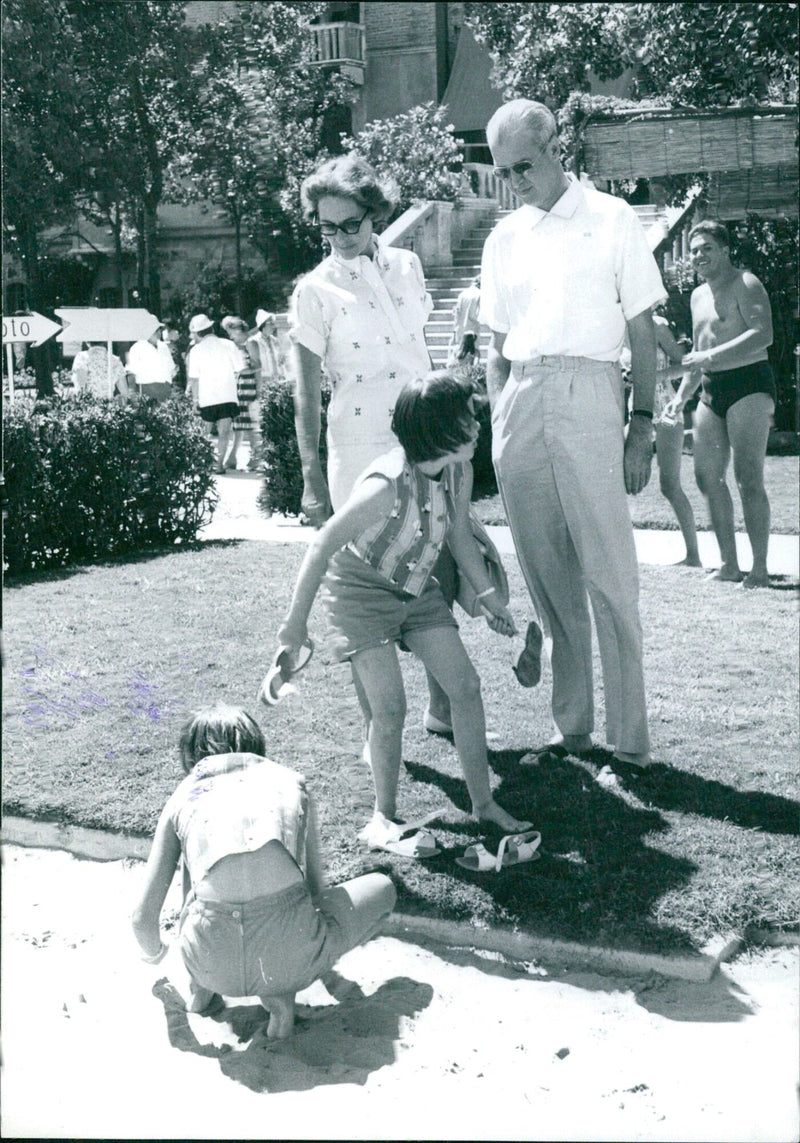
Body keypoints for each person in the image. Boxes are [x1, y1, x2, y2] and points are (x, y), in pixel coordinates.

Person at [480, 99, 667, 771]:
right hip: (521, 400)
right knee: (548, 577)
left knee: (610, 575)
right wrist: (503, 413)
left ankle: (631, 738)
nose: (514, 181)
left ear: (556, 148)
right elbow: (497, 344)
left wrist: (641, 420)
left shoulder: (613, 219)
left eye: (523, 165)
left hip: (591, 390)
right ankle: (574, 729)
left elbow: (643, 329)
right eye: (502, 171)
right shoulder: (503, 239)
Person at [275, 371, 534, 851]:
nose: (477, 425)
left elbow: (457, 534)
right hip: (361, 593)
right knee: (389, 710)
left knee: (466, 686)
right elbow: (321, 545)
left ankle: (483, 804)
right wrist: (294, 628)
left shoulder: (457, 469)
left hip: (418, 586)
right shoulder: (385, 485)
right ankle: (383, 816)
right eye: (467, 418)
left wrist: (488, 596)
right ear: (439, 430)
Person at [290, 152, 454, 738]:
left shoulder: (408, 265)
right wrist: (311, 478)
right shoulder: (314, 291)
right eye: (325, 226)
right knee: (366, 586)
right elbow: (306, 396)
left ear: (374, 213)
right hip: (359, 450)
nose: (338, 237)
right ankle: (373, 729)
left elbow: (422, 357)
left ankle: (444, 708)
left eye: (350, 225)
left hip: (424, 439)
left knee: (439, 566)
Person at [131, 704, 396, 1040]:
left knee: (198, 867)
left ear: (192, 755)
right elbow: (314, 892)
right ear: (255, 745)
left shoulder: (183, 796)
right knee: (383, 887)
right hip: (286, 961)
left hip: (209, 959)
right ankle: (281, 997)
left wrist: (161, 958)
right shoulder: (290, 782)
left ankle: (202, 988)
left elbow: (142, 919)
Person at [662, 220, 775, 588]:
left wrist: (707, 356)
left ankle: (759, 570)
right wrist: (680, 398)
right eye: (694, 250)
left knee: (748, 478)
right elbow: (698, 355)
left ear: (725, 250)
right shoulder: (697, 296)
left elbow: (763, 335)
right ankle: (729, 564)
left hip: (748, 384)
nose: (698, 256)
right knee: (707, 477)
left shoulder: (746, 282)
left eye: (707, 248)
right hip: (712, 387)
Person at [623, 307, 701, 566]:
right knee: (618, 480)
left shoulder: (655, 325)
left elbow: (687, 367)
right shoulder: (612, 329)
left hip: (666, 407)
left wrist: (651, 377)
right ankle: (620, 554)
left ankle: (693, 556)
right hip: (636, 412)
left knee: (670, 485)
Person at [186, 314, 240, 475]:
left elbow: (194, 379)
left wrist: (195, 399)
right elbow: (239, 369)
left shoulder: (196, 350)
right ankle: (219, 465)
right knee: (224, 433)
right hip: (228, 395)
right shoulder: (229, 345)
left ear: (198, 333)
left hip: (207, 397)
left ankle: (201, 462)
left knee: (204, 433)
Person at [221, 315, 261, 472]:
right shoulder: (238, 345)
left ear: (238, 329)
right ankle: (234, 457)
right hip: (239, 385)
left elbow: (258, 366)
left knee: (247, 423)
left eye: (231, 332)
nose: (230, 336)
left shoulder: (250, 343)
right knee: (240, 423)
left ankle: (255, 456)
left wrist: (258, 390)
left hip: (247, 385)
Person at [126, 324, 176, 401]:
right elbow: (131, 374)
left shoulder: (164, 347)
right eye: (155, 330)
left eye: (159, 329)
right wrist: (132, 395)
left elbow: (171, 368)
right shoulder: (136, 348)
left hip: (165, 390)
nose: (158, 333)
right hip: (146, 391)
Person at [447, 274, 482, 371]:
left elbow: (457, 312)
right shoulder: (479, 294)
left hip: (460, 328)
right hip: (473, 330)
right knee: (473, 357)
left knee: (459, 355)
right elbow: (477, 314)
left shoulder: (462, 294)